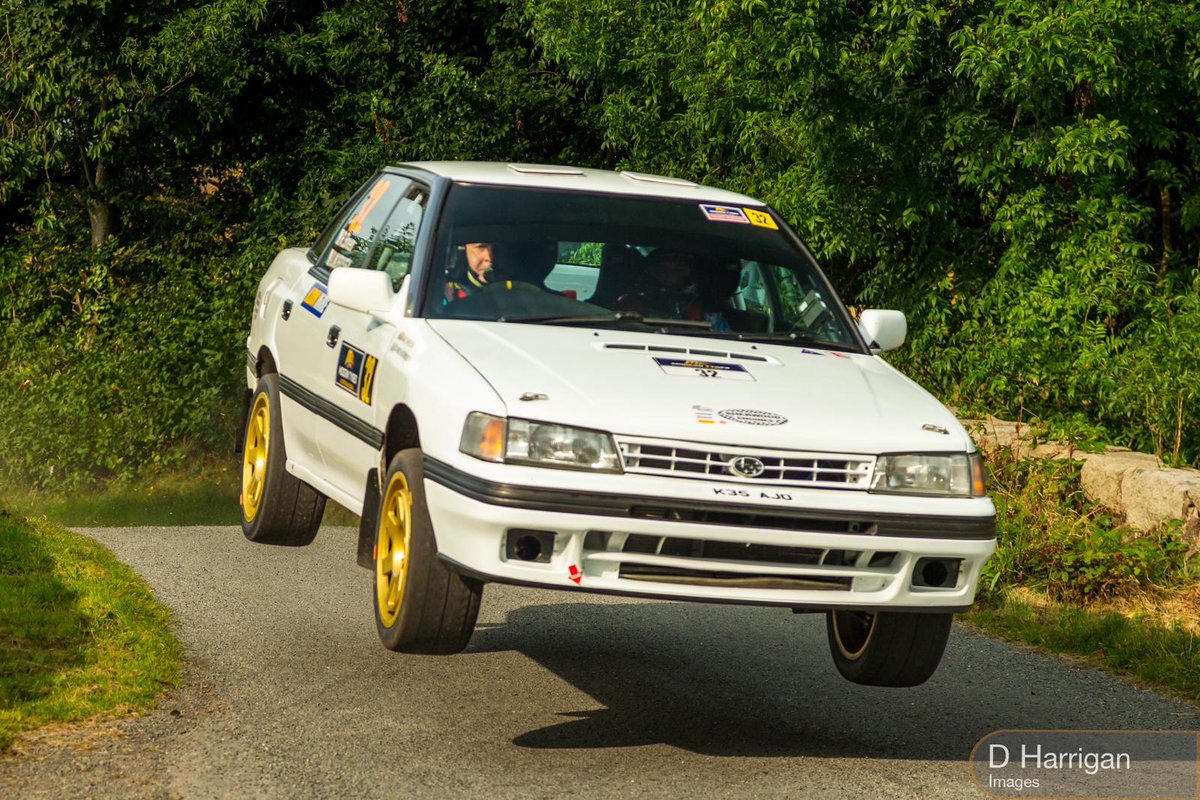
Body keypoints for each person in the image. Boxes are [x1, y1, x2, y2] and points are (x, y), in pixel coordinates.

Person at [617, 248, 730, 330]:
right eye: (662, 270)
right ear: (648, 274)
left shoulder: (708, 311)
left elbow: (726, 342)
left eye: (679, 269)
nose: (670, 276)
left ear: (692, 273)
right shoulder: (630, 307)